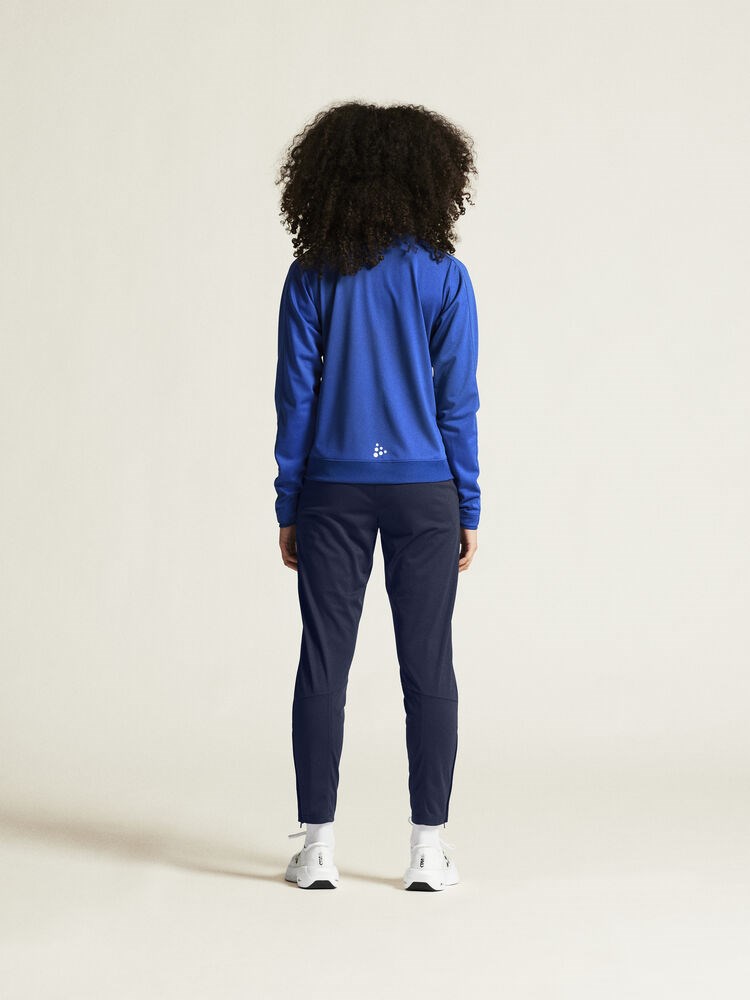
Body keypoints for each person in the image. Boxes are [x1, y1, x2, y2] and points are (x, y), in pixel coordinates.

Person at [273, 101, 481, 891]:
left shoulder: (311, 275)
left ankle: (318, 849)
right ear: (431, 180)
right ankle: (427, 850)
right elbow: (457, 402)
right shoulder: (445, 276)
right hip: (425, 491)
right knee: (428, 667)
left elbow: (296, 398)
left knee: (323, 663)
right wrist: (468, 505)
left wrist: (289, 501)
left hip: (332, 488)